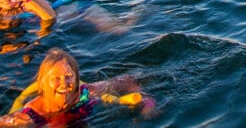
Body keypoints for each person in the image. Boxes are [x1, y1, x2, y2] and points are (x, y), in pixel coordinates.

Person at [0, 48, 157, 126]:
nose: (64, 83)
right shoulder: (30, 116)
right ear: (42, 82)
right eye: (55, 78)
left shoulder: (85, 93)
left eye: (69, 77)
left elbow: (129, 81)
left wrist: (148, 105)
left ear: (76, 78)